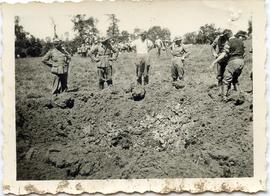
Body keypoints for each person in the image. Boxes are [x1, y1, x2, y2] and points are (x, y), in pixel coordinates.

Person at [211, 30, 245, 101]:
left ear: (227, 35)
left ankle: (224, 97)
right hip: (236, 61)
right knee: (221, 76)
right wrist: (215, 54)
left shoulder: (229, 42)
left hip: (230, 61)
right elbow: (244, 52)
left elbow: (224, 54)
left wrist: (214, 62)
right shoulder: (240, 41)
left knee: (227, 79)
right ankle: (235, 94)